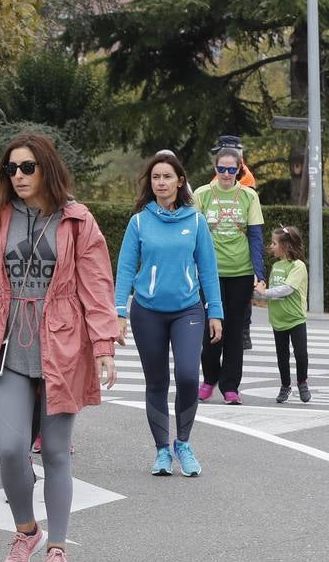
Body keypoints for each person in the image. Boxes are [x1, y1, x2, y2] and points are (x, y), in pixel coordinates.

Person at [0, 133, 118, 562]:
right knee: (9, 450)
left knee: (58, 454)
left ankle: (58, 550)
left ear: (46, 168)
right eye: (11, 169)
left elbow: (97, 286)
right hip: (10, 341)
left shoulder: (77, 220)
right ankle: (26, 532)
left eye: (27, 168)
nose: (19, 177)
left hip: (63, 342)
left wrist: (104, 346)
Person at [114, 151, 224, 477]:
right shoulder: (138, 221)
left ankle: (184, 443)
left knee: (189, 375)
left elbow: (208, 270)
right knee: (157, 381)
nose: (161, 182)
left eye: (167, 177)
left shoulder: (196, 221)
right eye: (155, 178)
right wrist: (119, 311)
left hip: (188, 309)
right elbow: (123, 270)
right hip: (147, 311)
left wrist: (215, 311)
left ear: (180, 181)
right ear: (151, 183)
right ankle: (162, 450)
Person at [194, 146, 264, 404]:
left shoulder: (248, 196)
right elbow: (193, 234)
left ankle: (230, 386)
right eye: (221, 169)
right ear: (215, 169)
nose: (226, 173)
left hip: (240, 273)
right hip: (209, 273)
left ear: (239, 170)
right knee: (211, 329)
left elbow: (256, 236)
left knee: (235, 331)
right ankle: (210, 378)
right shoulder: (202, 194)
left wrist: (260, 272)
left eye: (231, 169)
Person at [255, 225, 311, 403]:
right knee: (282, 355)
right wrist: (258, 291)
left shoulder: (298, 266)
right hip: (278, 320)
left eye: (274, 243)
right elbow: (270, 291)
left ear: (286, 246)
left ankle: (302, 382)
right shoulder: (276, 265)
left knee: (301, 353)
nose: (270, 246)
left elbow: (287, 289)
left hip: (295, 319)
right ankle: (285, 385)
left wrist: (265, 293)